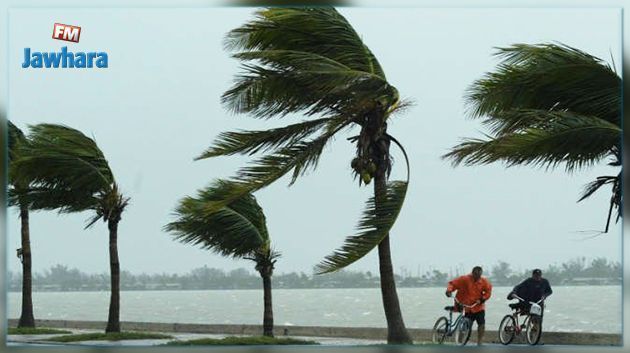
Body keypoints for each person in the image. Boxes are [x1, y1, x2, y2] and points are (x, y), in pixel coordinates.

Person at [445, 266, 493, 346]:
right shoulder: (464, 279)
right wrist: (449, 290)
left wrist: (482, 299)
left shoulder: (484, 281)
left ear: (481, 275)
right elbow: (452, 284)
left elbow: (488, 291)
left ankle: (479, 342)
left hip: (478, 306)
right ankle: (460, 341)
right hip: (465, 306)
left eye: (479, 276)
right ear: (472, 273)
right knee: (465, 325)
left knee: (481, 324)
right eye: (475, 275)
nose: (477, 277)